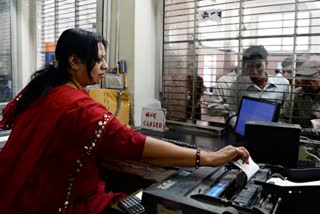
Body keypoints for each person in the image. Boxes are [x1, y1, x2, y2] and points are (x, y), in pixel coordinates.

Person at [0, 28, 249, 214]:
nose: (106, 66)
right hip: (61, 203)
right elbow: (133, 143)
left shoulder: (46, 90)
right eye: (98, 59)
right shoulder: (77, 106)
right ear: (74, 62)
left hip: (22, 196)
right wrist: (207, 157)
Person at [226, 45, 291, 127]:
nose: (254, 71)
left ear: (266, 64)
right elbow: (232, 113)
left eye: (258, 66)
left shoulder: (283, 84)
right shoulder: (237, 86)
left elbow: (287, 115)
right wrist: (240, 126)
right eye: (249, 66)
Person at [282, 60, 320, 128]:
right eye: (302, 77)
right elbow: (283, 119)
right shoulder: (296, 94)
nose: (304, 82)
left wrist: (302, 131)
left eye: (310, 77)